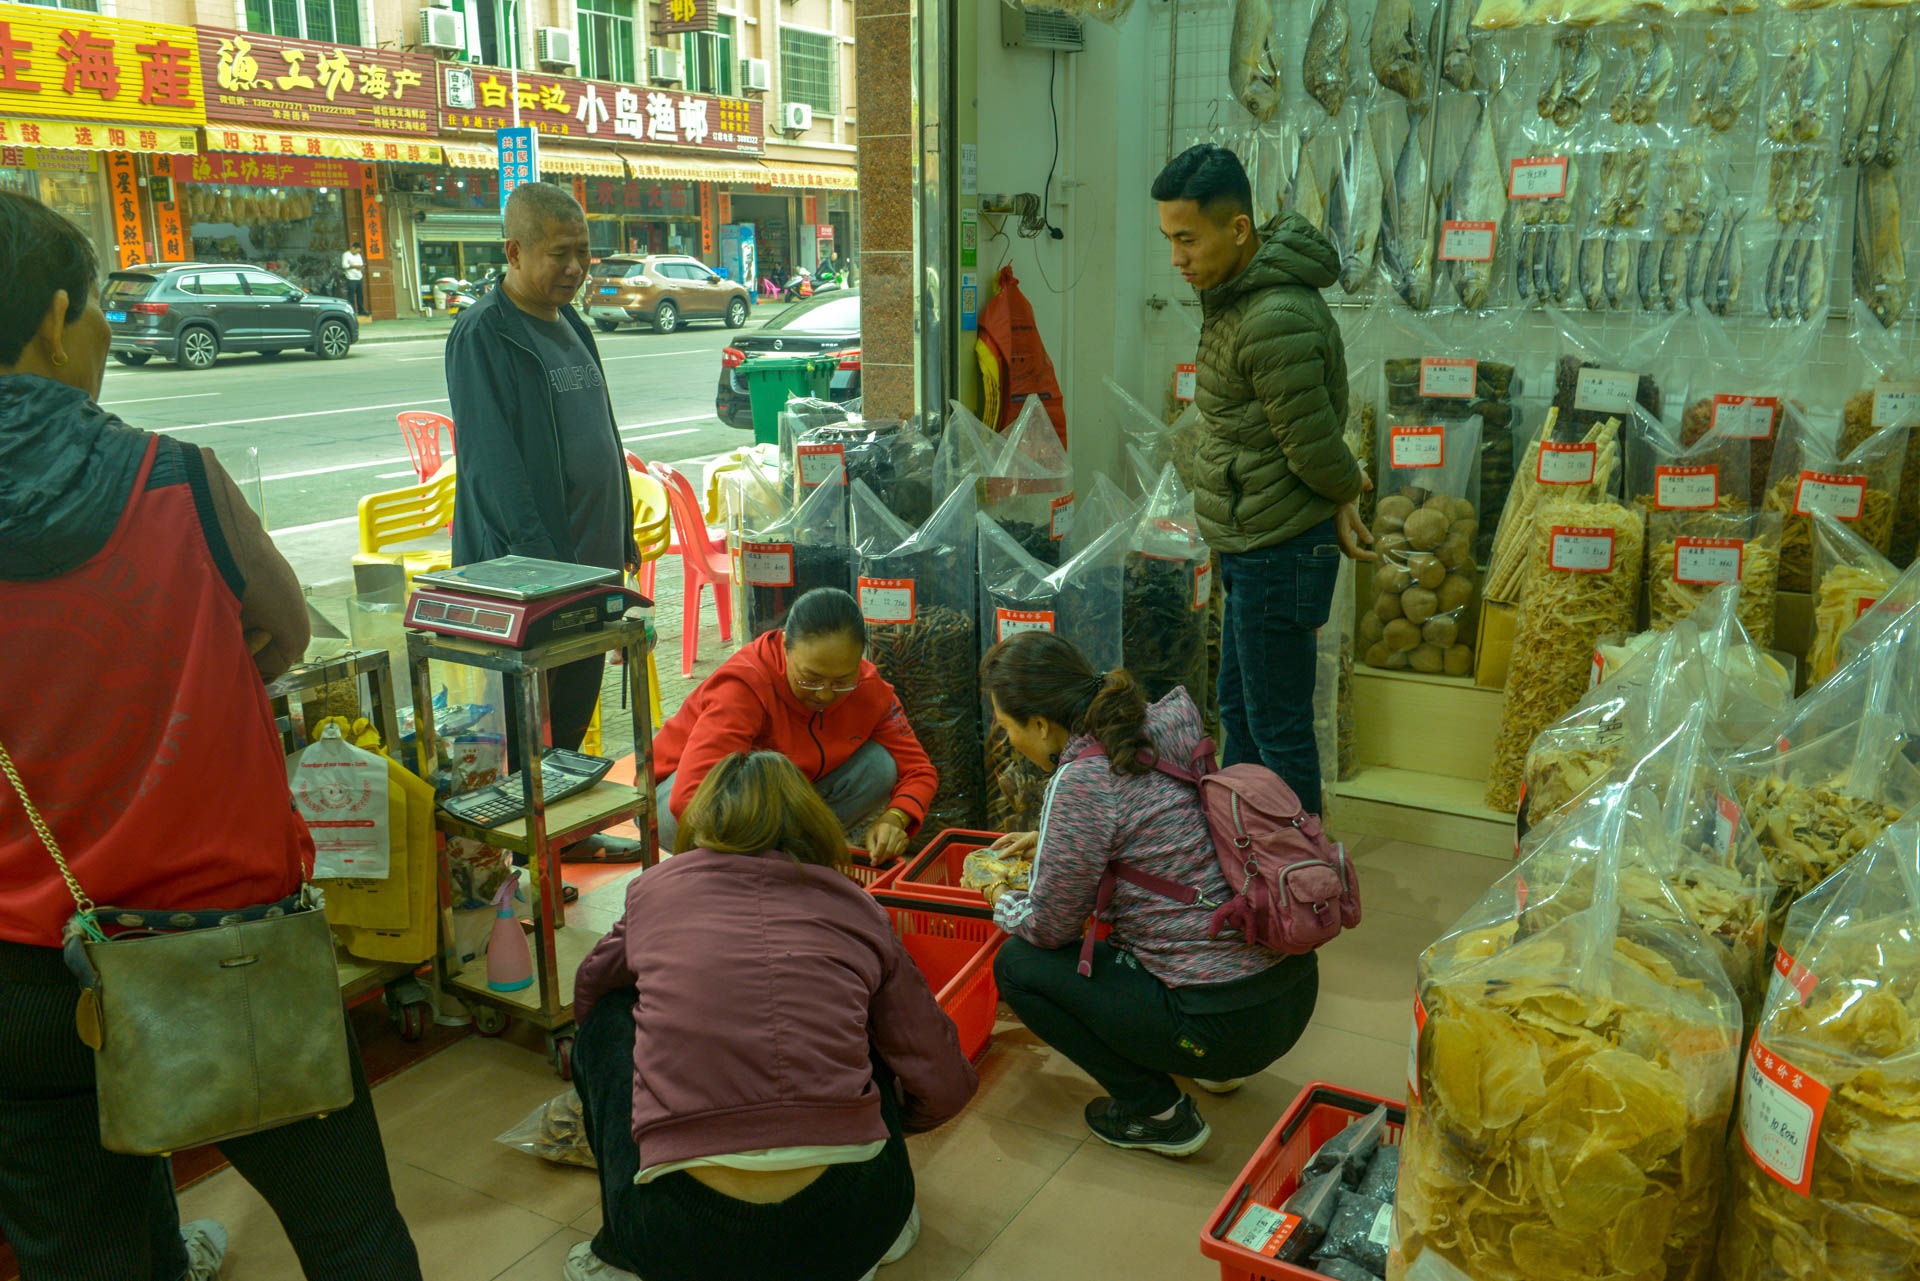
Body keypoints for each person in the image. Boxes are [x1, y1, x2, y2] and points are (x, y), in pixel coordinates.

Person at [0, 191, 423, 1280]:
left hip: (24, 986)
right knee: (351, 1233)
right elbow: (280, 635)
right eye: (98, 309)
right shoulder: (176, 484)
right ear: (55, 319)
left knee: (83, 1255)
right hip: (227, 955)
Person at [568, 750, 977, 1281]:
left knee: (610, 1018)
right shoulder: (858, 906)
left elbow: (592, 989)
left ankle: (620, 1257)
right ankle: (884, 1229)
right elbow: (944, 1080)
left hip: (677, 1239)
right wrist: (887, 1120)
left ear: (702, 822)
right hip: (857, 1223)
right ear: (813, 824)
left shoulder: (654, 890)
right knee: (873, 1024)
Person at [979, 631, 1319, 1158]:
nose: (1008, 742)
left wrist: (996, 889)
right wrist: (1056, 841)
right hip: (1292, 989)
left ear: (1042, 725)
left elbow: (1051, 926)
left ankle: (1158, 1113)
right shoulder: (1162, 723)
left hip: (1224, 1025)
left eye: (1008, 727)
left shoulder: (1084, 780)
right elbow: (1154, 825)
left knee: (1020, 965)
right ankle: (1217, 1075)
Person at [1151, 144, 1374, 818]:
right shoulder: (1238, 298)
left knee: (1275, 724)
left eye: (1187, 238)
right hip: (1258, 539)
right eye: (1170, 240)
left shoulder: (1272, 316)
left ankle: (1298, 875)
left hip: (1280, 546)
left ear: (1238, 230)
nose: (1176, 258)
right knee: (1242, 710)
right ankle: (1253, 850)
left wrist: (1346, 492)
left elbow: (1311, 441)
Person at [444, 182, 640, 861]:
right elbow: (493, 469)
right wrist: (545, 575)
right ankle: (522, 860)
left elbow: (602, 438)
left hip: (589, 572)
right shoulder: (483, 334)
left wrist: (622, 540)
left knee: (571, 723)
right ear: (514, 250)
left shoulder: (573, 323)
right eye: (559, 254)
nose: (575, 269)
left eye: (583, 254)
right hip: (530, 584)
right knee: (529, 730)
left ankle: (568, 839)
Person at [652, 588, 937, 862]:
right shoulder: (744, 686)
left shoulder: (869, 689)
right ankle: (768, 862)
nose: (824, 694)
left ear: (860, 659)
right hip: (679, 806)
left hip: (780, 809)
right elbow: (690, 799)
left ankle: (791, 857)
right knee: (710, 806)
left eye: (841, 681)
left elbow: (919, 770)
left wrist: (895, 817)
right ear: (785, 646)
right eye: (810, 679)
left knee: (879, 765)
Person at [341, 240, 366, 317]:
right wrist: (355, 266)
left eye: (359, 251)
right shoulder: (346, 254)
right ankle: (352, 312)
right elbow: (344, 266)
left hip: (359, 277)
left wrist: (362, 268)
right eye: (356, 251)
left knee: (360, 295)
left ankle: (361, 311)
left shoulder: (358, 255)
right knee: (351, 296)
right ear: (352, 248)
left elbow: (361, 265)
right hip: (351, 278)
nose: (357, 253)